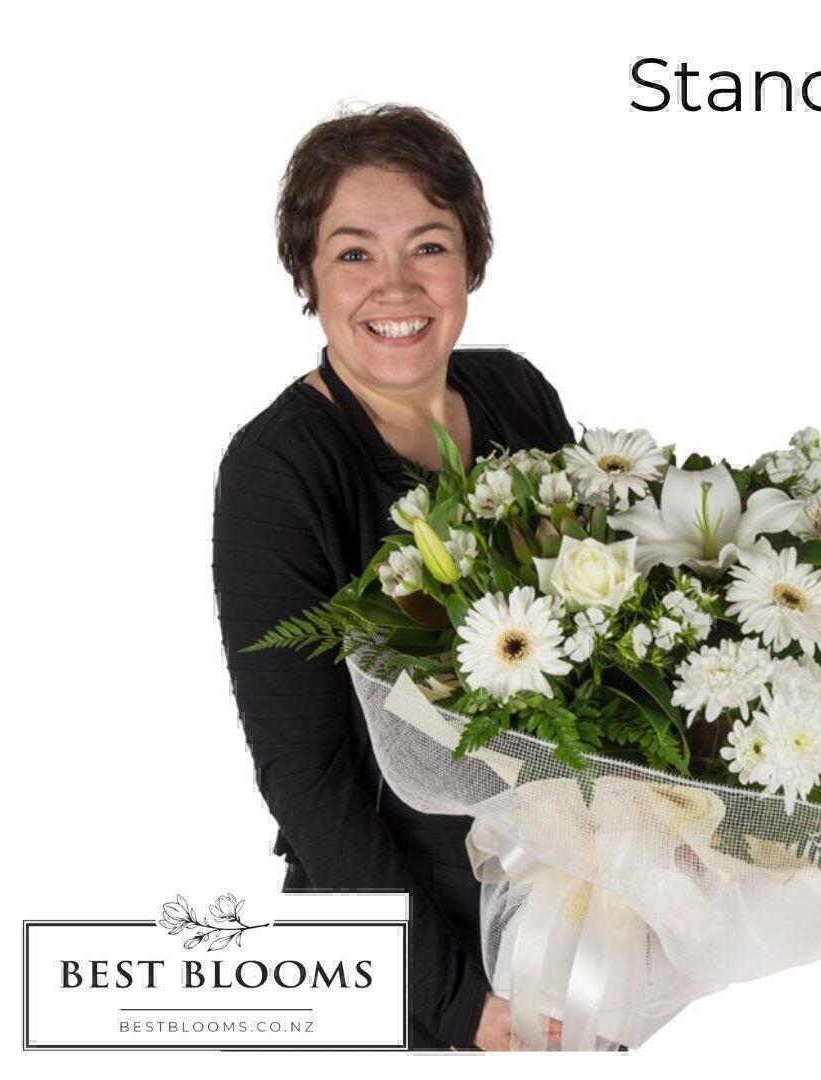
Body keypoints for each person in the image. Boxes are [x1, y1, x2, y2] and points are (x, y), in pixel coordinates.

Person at [211, 103, 575, 1051]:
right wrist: (463, 1005)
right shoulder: (278, 470)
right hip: (400, 964)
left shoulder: (517, 394)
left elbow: (590, 657)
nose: (397, 285)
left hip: (551, 923)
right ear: (307, 273)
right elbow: (307, 778)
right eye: (354, 253)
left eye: (429, 245)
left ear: (471, 261)